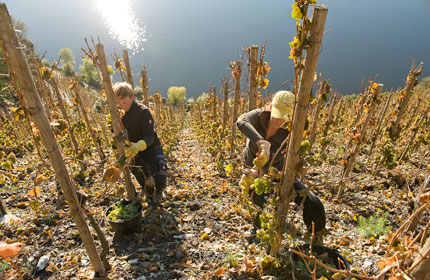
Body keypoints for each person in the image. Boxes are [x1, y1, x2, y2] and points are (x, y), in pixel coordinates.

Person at [236, 90, 326, 237]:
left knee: (313, 203)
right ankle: (256, 227)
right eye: (278, 114)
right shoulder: (258, 117)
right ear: (271, 107)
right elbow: (241, 121)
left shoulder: (290, 132)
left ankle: (316, 237)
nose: (279, 121)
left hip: (279, 172)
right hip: (252, 169)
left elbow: (292, 159)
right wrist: (262, 143)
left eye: (284, 117)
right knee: (256, 199)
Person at [113, 82, 168, 206]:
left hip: (150, 146)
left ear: (132, 97)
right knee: (139, 173)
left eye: (125, 103)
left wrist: (139, 145)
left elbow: (150, 134)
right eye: (119, 104)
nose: (123, 107)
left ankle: (159, 191)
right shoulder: (122, 118)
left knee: (160, 171)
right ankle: (149, 192)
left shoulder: (143, 111)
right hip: (135, 150)